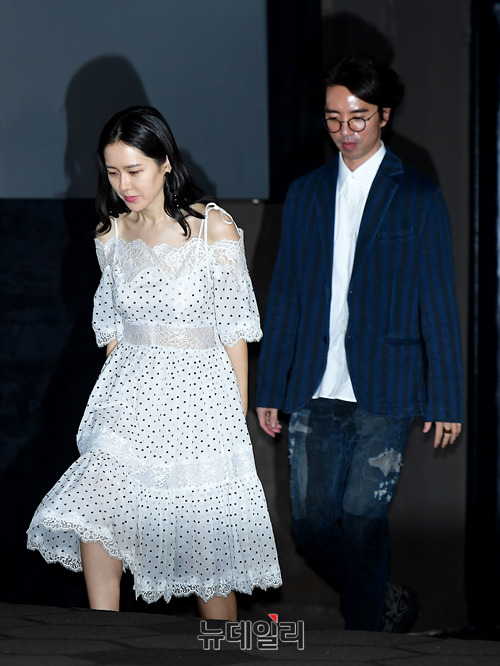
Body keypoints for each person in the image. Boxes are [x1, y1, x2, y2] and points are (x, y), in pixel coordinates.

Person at [27, 105, 282, 620]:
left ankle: (226, 649)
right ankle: (102, 632)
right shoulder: (111, 234)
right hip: (129, 394)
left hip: (200, 401)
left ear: (166, 163)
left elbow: (235, 332)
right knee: (97, 508)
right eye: (112, 172)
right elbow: (112, 334)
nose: (124, 184)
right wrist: (109, 407)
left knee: (206, 555)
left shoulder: (214, 229)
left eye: (134, 170)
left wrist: (236, 416)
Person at [255, 53, 462, 632]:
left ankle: (365, 642)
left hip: (386, 386)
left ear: (384, 115)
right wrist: (270, 386)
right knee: (312, 529)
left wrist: (445, 398)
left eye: (358, 118)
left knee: (364, 525)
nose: (345, 131)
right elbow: (287, 295)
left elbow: (437, 302)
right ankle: (383, 599)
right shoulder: (306, 193)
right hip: (313, 383)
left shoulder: (416, 195)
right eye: (333, 119)